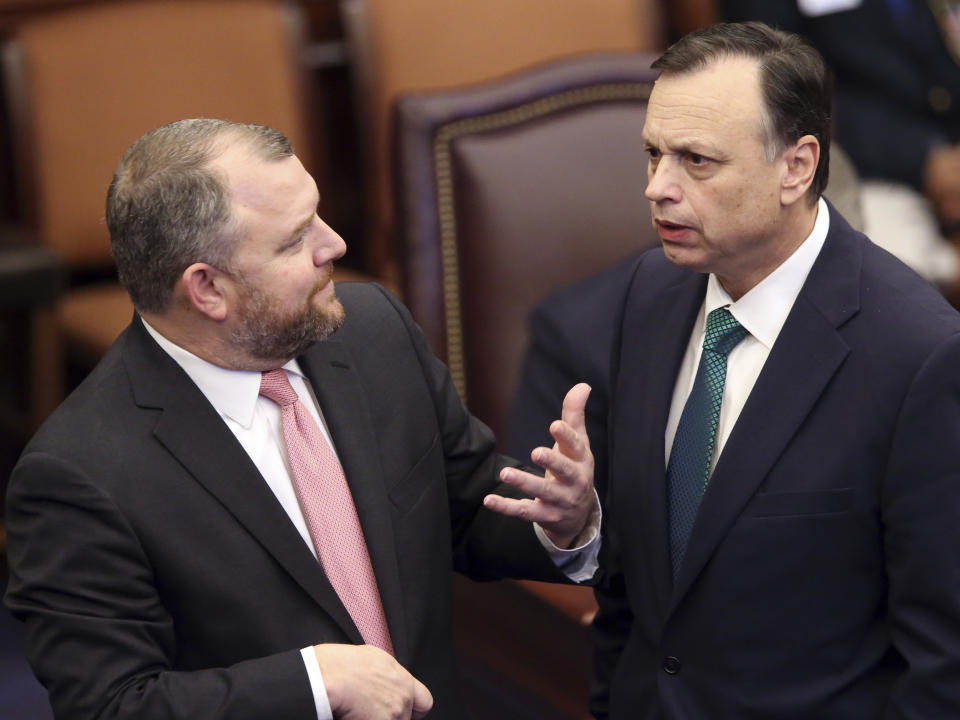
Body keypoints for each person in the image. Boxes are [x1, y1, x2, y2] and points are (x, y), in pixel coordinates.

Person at [3, 119, 599, 720]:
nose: (334, 244)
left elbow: (465, 506)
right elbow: (111, 707)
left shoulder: (373, 331)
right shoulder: (79, 475)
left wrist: (563, 523)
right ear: (207, 289)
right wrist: (314, 682)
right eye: (294, 241)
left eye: (318, 214)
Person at [577, 22, 959, 719]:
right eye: (653, 154)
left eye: (696, 161)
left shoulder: (919, 355)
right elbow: (634, 588)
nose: (657, 188)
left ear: (798, 166)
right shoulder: (649, 293)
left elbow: (945, 661)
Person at [721, 0, 960, 288]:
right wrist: (922, 159)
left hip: (946, 149)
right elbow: (778, 90)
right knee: (889, 279)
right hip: (851, 171)